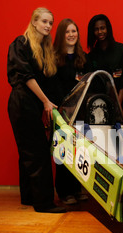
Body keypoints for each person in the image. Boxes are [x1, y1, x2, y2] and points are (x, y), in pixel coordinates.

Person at [7, 7, 66, 213]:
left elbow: (50, 82)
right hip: (22, 102)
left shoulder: (44, 50)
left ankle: (29, 197)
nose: (48, 26)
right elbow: (26, 77)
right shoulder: (20, 43)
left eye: (51, 22)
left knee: (28, 152)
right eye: (44, 21)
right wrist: (46, 102)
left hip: (33, 103)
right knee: (37, 152)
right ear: (34, 22)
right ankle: (43, 203)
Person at [53, 18, 89, 205]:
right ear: (61, 35)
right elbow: (53, 85)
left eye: (74, 31)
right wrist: (63, 107)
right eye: (67, 32)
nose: (71, 35)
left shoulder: (83, 58)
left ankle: (76, 189)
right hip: (62, 113)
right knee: (62, 152)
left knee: (79, 151)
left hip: (81, 113)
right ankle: (64, 192)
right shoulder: (53, 58)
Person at [87, 14, 123, 121]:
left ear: (108, 28)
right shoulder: (91, 55)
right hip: (99, 107)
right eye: (96, 29)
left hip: (120, 104)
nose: (100, 32)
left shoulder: (122, 50)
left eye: (102, 28)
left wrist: (117, 105)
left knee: (120, 136)